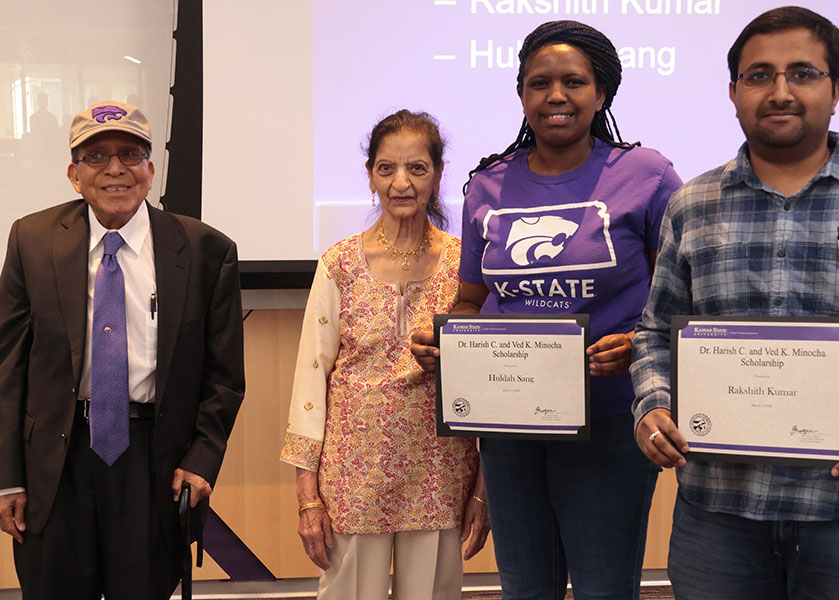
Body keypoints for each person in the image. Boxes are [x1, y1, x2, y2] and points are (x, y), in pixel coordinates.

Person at [631, 6, 839, 599]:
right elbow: (654, 333)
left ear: (838, 89)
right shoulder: (691, 204)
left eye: (802, 73)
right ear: (734, 92)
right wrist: (652, 405)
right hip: (719, 517)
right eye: (759, 76)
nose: (780, 91)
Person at [412, 21, 683, 600]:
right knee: (524, 586)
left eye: (573, 82)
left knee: (603, 587)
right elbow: (471, 298)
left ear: (601, 94)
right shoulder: (487, 184)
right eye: (539, 83)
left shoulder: (648, 176)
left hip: (610, 419)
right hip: (511, 421)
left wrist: (637, 343)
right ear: (521, 96)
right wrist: (447, 339)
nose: (555, 95)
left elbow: (680, 295)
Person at [0, 100, 245, 599]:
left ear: (150, 170)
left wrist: (202, 459)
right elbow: (8, 369)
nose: (115, 169)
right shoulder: (32, 240)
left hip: (152, 463)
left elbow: (224, 378)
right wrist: (8, 478)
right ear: (74, 175)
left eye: (130, 154)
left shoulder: (204, 251)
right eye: (96, 157)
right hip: (55, 465)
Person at [280, 109, 488, 600]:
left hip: (439, 468)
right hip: (354, 470)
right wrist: (307, 497)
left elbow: (487, 380)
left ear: (437, 176)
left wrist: (483, 487)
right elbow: (312, 377)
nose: (402, 183)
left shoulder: (466, 266)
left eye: (417, 168)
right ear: (370, 175)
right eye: (387, 168)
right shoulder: (340, 263)